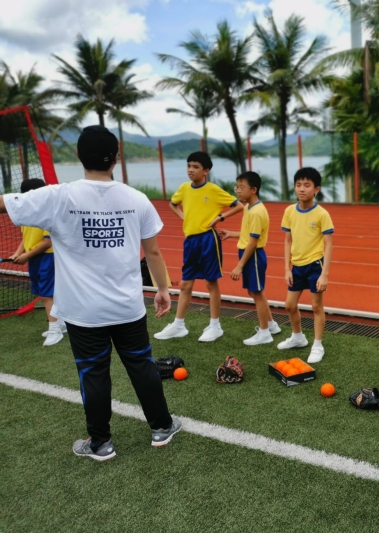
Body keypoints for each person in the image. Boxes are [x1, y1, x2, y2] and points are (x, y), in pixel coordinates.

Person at [0, 125, 181, 461]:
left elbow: (4, 203)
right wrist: (162, 289)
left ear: (78, 155)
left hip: (83, 312)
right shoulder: (136, 198)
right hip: (127, 307)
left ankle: (100, 443)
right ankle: (162, 427)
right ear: (116, 158)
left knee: (93, 373)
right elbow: (153, 252)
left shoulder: (57, 196)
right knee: (141, 365)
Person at [154, 152, 243, 342]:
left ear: (206, 170)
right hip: (190, 241)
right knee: (185, 284)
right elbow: (172, 204)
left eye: (195, 167)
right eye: (189, 166)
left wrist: (219, 218)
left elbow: (238, 206)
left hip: (208, 240)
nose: (190, 170)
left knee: (211, 283)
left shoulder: (213, 190)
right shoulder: (184, 188)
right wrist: (184, 217)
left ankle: (215, 326)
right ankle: (178, 325)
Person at [218, 171, 282, 345]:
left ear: (253, 190)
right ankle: (271, 325)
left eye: (242, 187)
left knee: (257, 293)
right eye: (237, 187)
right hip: (249, 253)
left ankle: (264, 333)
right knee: (254, 291)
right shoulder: (249, 207)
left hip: (253, 255)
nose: (238, 190)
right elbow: (248, 234)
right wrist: (231, 234)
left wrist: (239, 266)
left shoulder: (256, 212)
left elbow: (253, 242)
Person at [278, 167, 334, 364]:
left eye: (307, 185)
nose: (302, 189)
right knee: (289, 305)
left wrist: (324, 274)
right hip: (297, 266)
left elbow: (328, 245)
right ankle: (298, 337)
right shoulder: (289, 211)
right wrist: (287, 268)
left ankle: (318, 345)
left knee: (316, 306)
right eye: (298, 185)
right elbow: (287, 241)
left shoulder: (322, 214)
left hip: (315, 265)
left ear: (316, 189)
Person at [9, 178, 66, 346]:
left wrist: (27, 256)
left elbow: (48, 242)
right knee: (46, 293)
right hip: (35, 258)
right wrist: (18, 253)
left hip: (48, 257)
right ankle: (60, 324)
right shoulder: (26, 213)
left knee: (47, 294)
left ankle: (55, 330)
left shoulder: (48, 213)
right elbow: (25, 237)